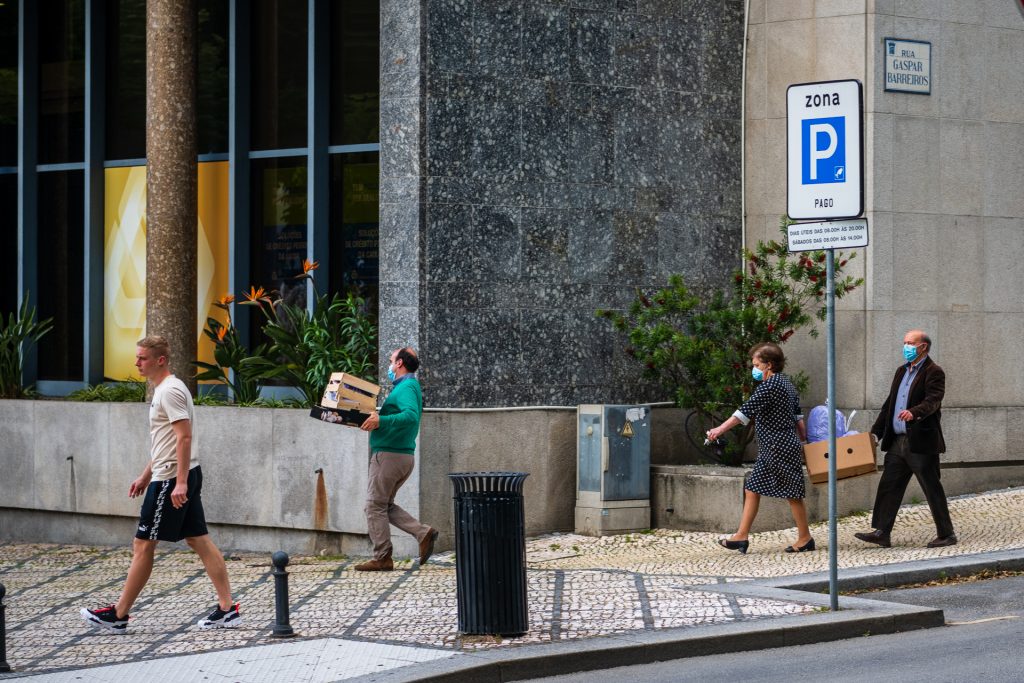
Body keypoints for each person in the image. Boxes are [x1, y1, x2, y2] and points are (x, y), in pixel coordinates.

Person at [80, 336, 240, 633]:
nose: (137, 363)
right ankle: (227, 608)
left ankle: (119, 615)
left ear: (160, 360)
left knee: (143, 544)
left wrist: (179, 483)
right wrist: (144, 475)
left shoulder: (170, 392)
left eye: (142, 358)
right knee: (198, 539)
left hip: (172, 479)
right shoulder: (165, 390)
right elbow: (164, 441)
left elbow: (184, 437)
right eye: (137, 357)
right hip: (173, 474)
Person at [706, 343, 812, 554]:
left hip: (778, 447)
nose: (753, 369)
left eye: (756, 364)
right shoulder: (787, 383)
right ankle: (741, 537)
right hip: (777, 446)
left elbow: (743, 413)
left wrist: (719, 429)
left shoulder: (770, 386)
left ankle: (805, 538)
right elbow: (798, 417)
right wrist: (803, 440)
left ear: (769, 365)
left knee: (792, 494)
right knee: (752, 488)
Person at [855, 330, 956, 548]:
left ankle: (947, 534)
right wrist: (876, 432)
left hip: (920, 442)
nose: (906, 347)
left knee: (931, 487)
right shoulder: (901, 371)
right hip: (897, 441)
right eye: (904, 343)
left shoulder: (934, 371)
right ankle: (882, 532)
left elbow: (934, 400)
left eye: (911, 343)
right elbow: (889, 404)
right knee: (889, 486)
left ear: (923, 348)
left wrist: (915, 412)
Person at [355, 347, 438, 571]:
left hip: (390, 455)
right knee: (383, 505)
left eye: (391, 361)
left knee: (374, 506)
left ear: (400, 363)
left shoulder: (408, 387)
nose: (390, 365)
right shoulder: (405, 387)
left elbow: (411, 416)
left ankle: (382, 557)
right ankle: (423, 533)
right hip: (399, 455)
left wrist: (381, 421)